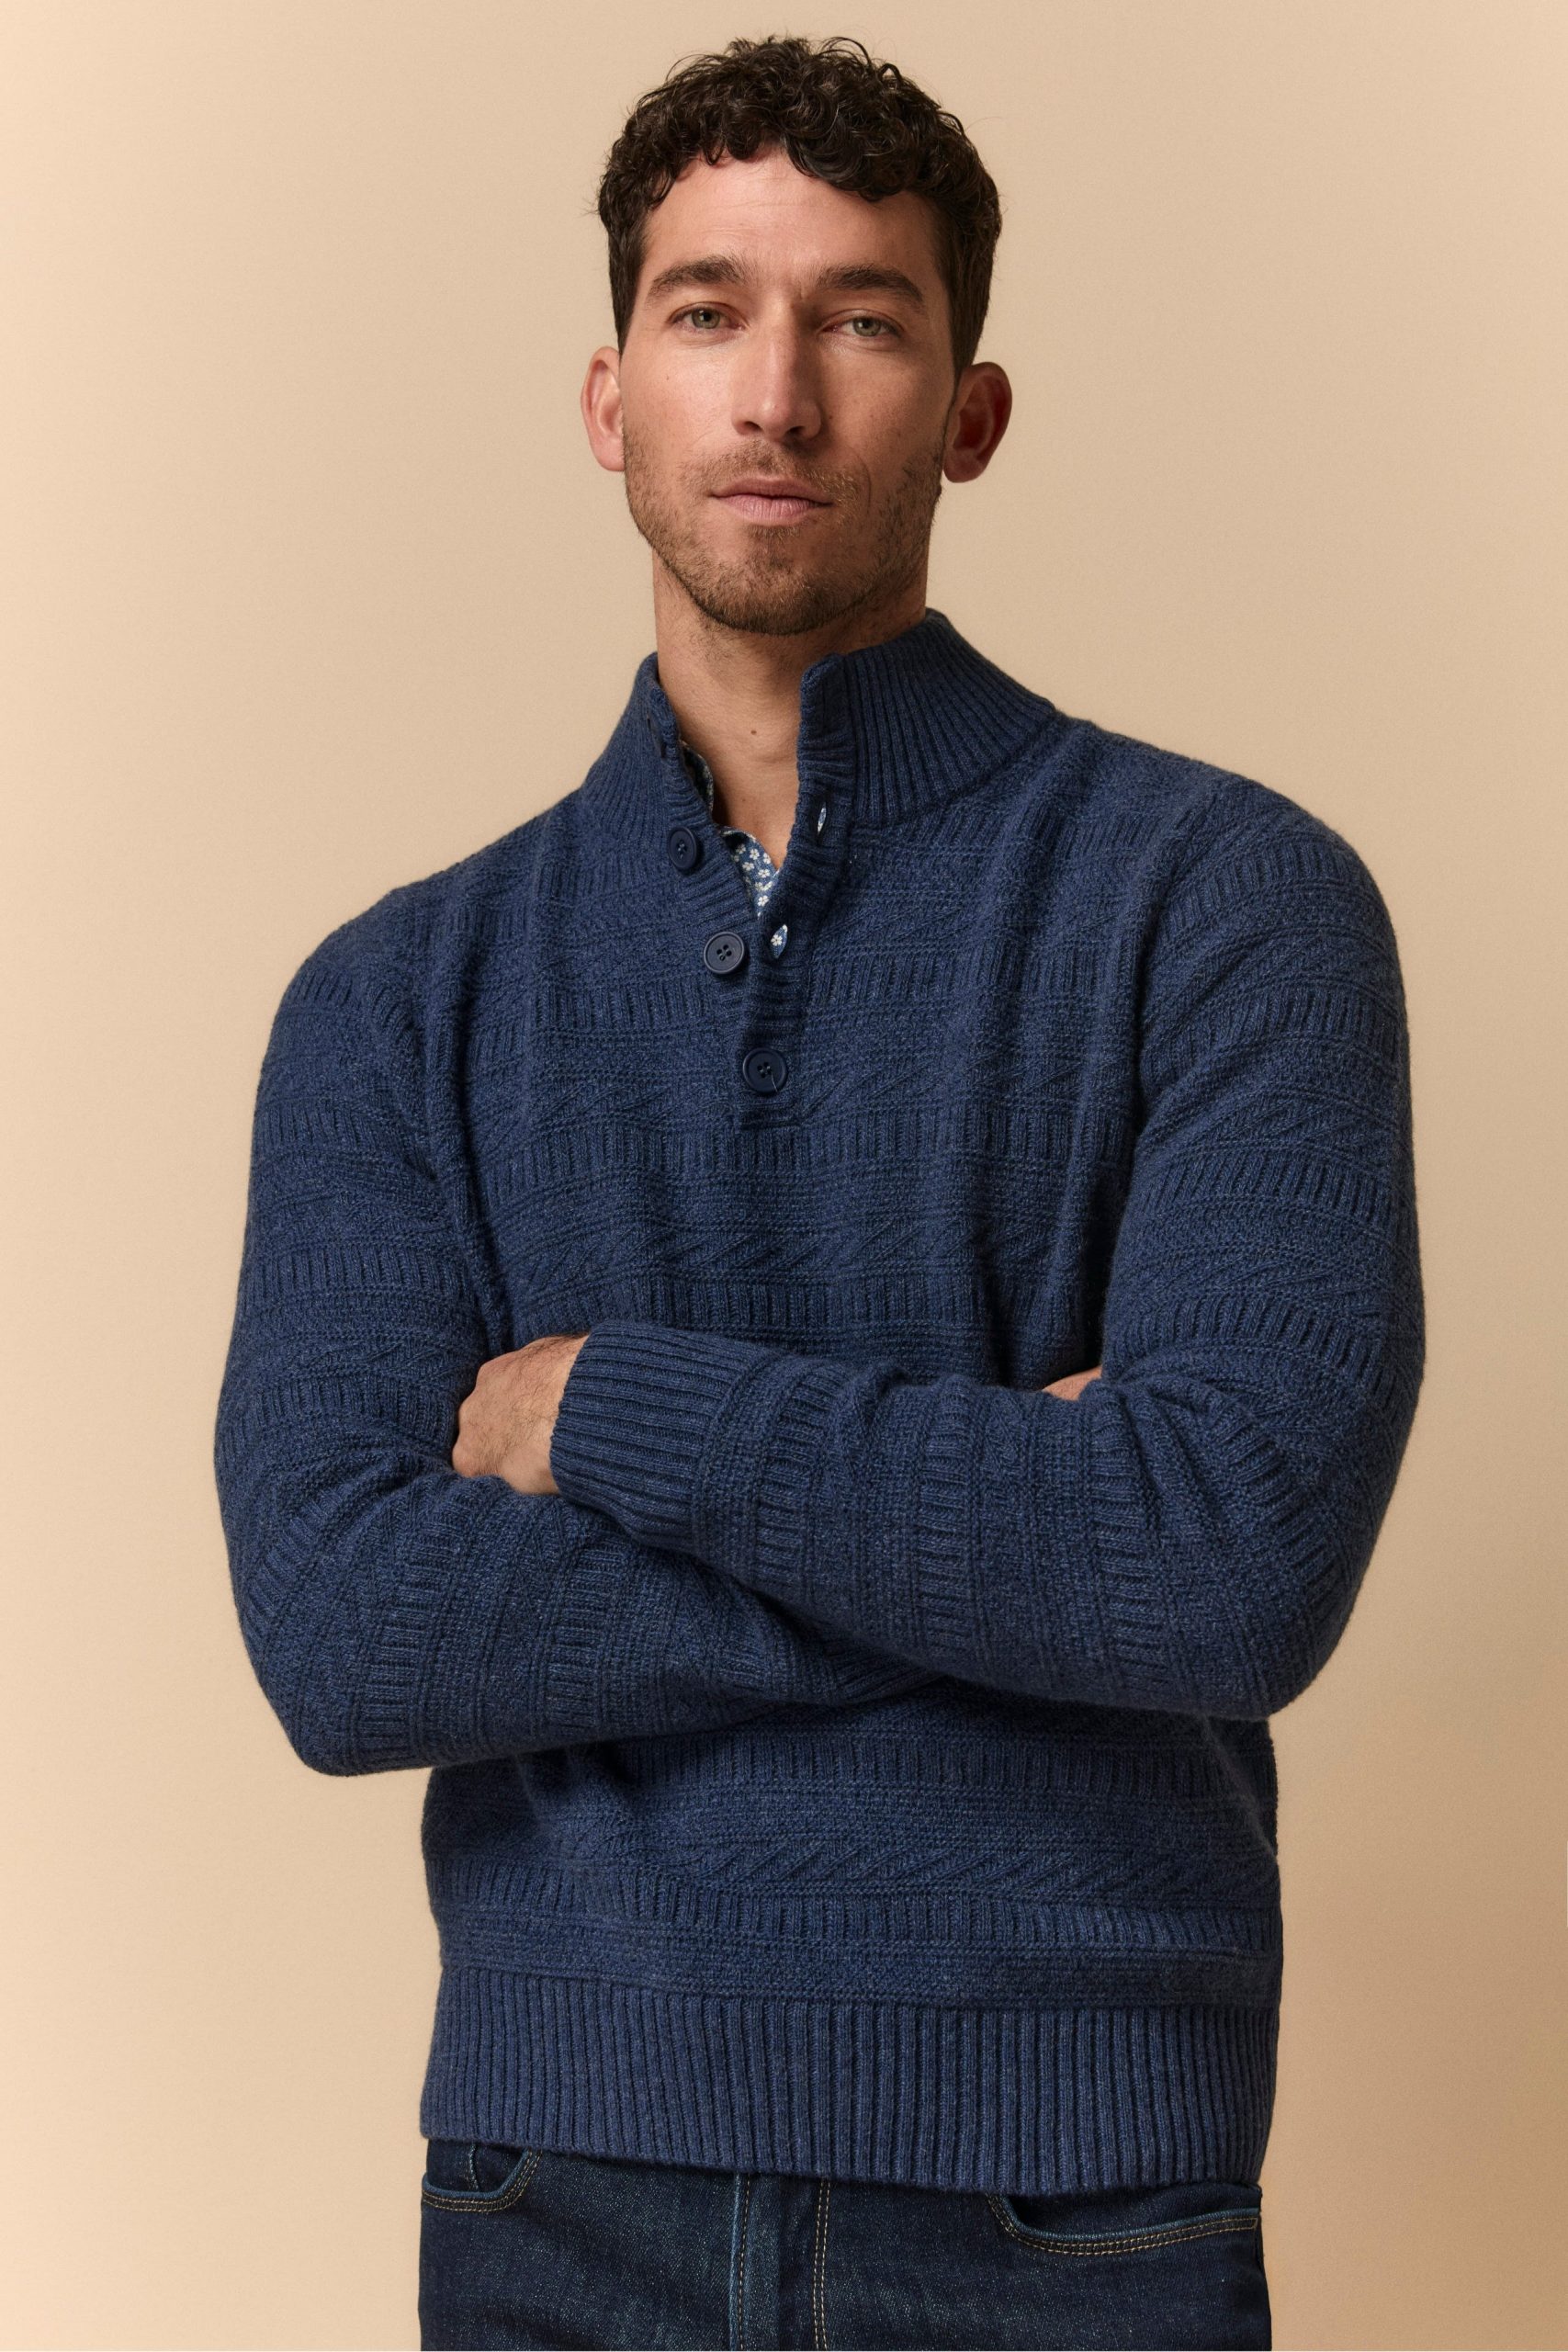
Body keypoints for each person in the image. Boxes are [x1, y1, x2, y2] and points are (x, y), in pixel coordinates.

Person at [213, 32, 1425, 2351]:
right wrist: (1023, 1540)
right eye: (706, 311)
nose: (773, 392)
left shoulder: (1226, 902)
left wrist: (607, 1408)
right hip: (559, 2185)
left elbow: (1226, 1561)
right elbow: (347, 1630)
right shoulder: (397, 993)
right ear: (608, 398)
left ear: (967, 410)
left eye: (859, 318)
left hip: (1077, 2194)